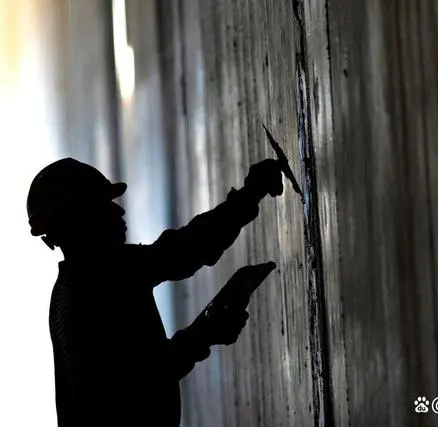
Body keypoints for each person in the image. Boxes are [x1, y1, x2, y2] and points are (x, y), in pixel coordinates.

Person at [26, 156, 283, 426]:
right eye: (105, 204)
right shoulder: (92, 288)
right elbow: (135, 390)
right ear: (82, 219)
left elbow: (181, 252)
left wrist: (250, 195)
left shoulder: (89, 278)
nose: (119, 212)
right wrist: (205, 331)